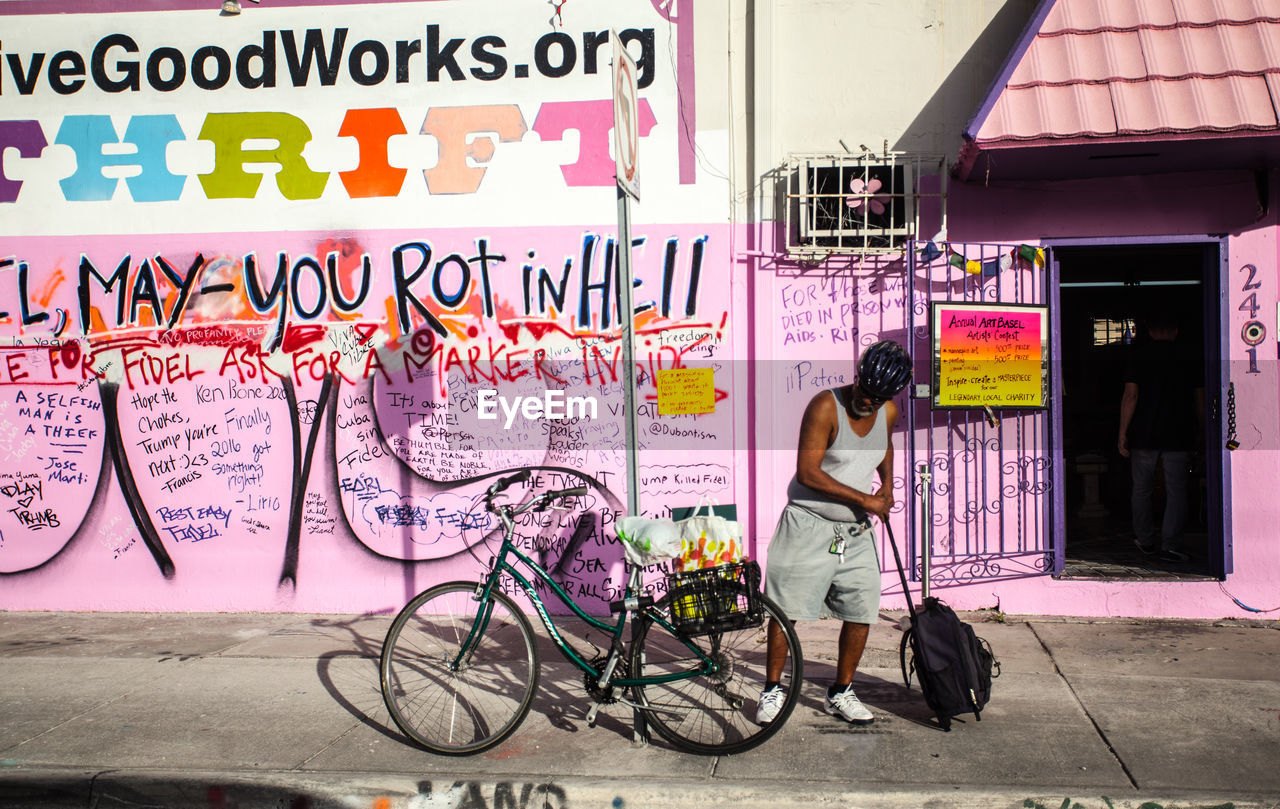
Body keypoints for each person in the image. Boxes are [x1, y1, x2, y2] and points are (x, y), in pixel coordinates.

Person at [756, 340, 912, 726]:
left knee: (861, 609)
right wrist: (866, 498)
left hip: (855, 530)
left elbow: (885, 447)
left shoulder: (887, 410)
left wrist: (887, 489)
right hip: (807, 523)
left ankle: (840, 692)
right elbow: (808, 473)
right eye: (865, 392)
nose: (869, 403)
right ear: (856, 377)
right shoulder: (826, 405)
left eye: (878, 399)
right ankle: (772, 689)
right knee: (785, 609)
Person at [1117, 313, 1202, 563]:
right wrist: (1201, 429)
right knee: (1177, 491)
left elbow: (1130, 396)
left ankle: (1145, 540)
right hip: (1179, 432)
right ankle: (1171, 545)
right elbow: (1200, 398)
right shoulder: (1189, 356)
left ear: (1151, 332)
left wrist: (1122, 432)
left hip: (1143, 433)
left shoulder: (1138, 356)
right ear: (1175, 331)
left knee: (1141, 489)